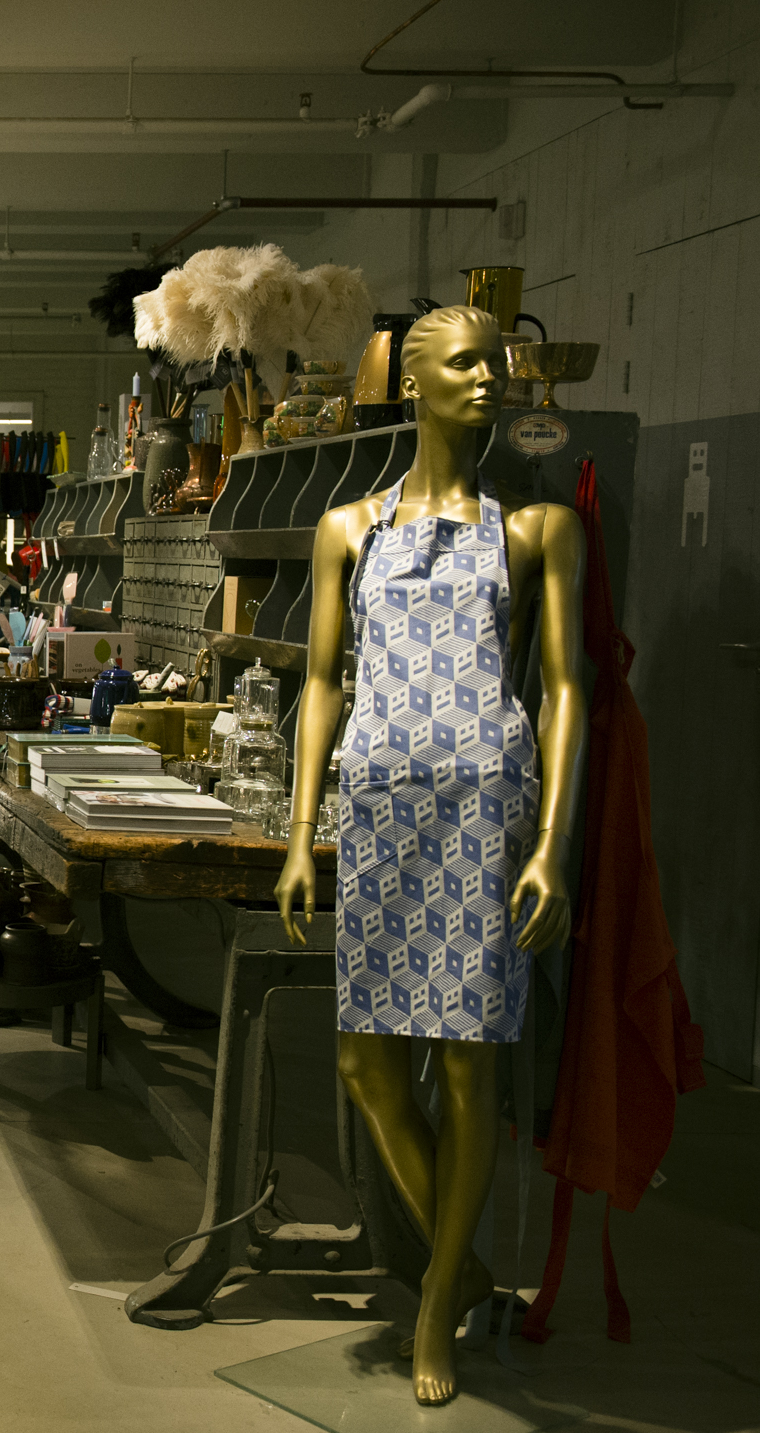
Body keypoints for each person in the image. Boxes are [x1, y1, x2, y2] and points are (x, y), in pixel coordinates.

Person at [274, 304, 586, 1405]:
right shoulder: (347, 527)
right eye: (464, 364)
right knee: (365, 1065)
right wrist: (301, 833)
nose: (488, 379)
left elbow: (566, 690)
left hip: (484, 816)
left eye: (496, 362)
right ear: (414, 384)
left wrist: (550, 842)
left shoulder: (537, 530)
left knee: (466, 1071)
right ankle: (462, 1270)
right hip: (377, 812)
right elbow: (321, 682)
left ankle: (438, 1300)